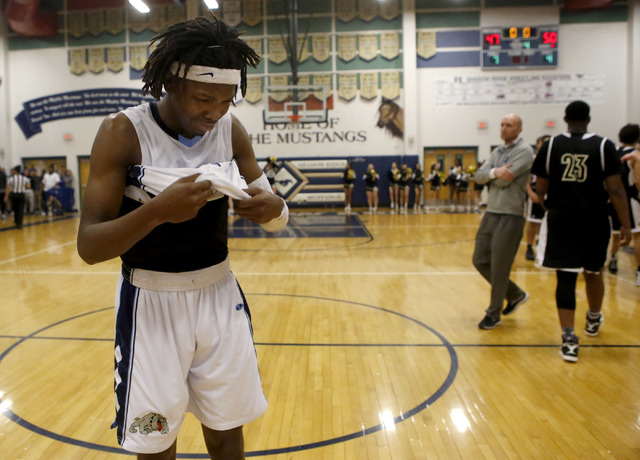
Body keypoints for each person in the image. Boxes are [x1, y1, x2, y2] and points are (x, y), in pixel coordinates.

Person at [76, 15, 287, 459]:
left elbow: (273, 210)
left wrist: (277, 209)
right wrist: (155, 212)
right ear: (171, 83)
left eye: (227, 100)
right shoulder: (122, 133)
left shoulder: (231, 131)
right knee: (154, 441)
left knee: (228, 428)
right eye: (204, 98)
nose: (215, 111)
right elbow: (89, 246)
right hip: (150, 303)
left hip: (219, 295)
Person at [533, 101, 631, 362]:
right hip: (595, 218)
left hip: (562, 219)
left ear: (565, 118)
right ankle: (594, 317)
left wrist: (550, 205)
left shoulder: (550, 145)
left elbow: (540, 188)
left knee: (565, 277)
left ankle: (568, 339)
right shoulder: (603, 146)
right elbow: (616, 189)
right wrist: (625, 223)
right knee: (593, 272)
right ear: (588, 119)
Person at [472, 114, 534, 330]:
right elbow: (479, 176)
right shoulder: (498, 152)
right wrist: (493, 172)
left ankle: (494, 314)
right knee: (479, 259)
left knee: (500, 267)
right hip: (491, 213)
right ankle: (515, 294)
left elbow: (505, 181)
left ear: (519, 129)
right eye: (502, 124)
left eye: (509, 125)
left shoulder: (524, 152)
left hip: (510, 215)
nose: (504, 128)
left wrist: (493, 176)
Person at [607, 124, 640, 279]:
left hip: (612, 199)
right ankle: (639, 270)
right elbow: (638, 180)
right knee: (637, 235)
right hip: (630, 198)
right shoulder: (635, 155)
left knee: (616, 233)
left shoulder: (613, 153)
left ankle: (613, 258)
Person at [525, 135, 550, 261]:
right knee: (533, 223)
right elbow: (526, 179)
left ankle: (541, 245)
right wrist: (530, 193)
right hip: (535, 193)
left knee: (545, 223)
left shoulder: (553, 159)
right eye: (544, 142)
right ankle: (529, 247)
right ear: (538, 144)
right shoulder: (533, 159)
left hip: (549, 195)